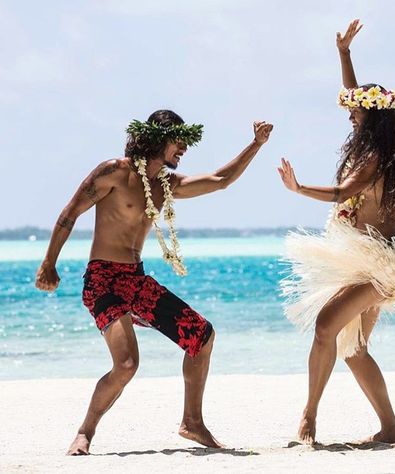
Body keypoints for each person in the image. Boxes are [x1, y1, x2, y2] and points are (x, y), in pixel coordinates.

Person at [35, 109, 273, 455]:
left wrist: (256, 144)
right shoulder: (113, 172)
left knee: (201, 336)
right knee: (127, 364)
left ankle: (192, 423)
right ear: (158, 138)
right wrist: (48, 263)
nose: (184, 149)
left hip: (137, 280)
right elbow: (69, 213)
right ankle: (85, 432)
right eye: (180, 141)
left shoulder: (167, 185)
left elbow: (221, 179)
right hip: (103, 280)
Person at [277, 20, 395, 445]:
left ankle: (307, 422)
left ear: (372, 116)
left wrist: (298, 187)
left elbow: (344, 192)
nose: (349, 111)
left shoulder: (379, 153)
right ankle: (392, 429)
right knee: (354, 347)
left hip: (382, 262)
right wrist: (344, 53)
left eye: (356, 109)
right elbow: (354, 94)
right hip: (363, 256)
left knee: (326, 328)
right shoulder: (369, 140)